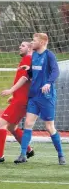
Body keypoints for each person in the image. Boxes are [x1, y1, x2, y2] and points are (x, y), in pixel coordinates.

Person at [14, 33, 65, 165]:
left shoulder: (49, 55)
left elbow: (55, 71)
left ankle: (61, 155)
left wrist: (48, 83)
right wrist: (29, 69)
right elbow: (34, 73)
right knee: (28, 124)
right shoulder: (34, 56)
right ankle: (23, 154)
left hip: (46, 97)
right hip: (34, 95)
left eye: (34, 40)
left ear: (42, 42)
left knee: (49, 127)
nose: (32, 42)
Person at [0, 41, 34, 163]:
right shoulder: (27, 59)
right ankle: (28, 150)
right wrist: (15, 96)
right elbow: (26, 82)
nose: (19, 46)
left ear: (29, 48)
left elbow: (25, 78)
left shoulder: (28, 58)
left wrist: (11, 90)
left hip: (21, 101)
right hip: (20, 99)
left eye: (23, 45)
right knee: (12, 127)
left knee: (1, 123)